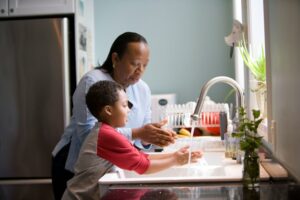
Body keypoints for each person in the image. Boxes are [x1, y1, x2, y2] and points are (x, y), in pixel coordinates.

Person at [51, 32, 177, 200]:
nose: (140, 71)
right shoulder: (93, 81)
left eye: (145, 65)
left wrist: (153, 136)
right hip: (74, 166)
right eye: (134, 64)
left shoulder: (143, 89)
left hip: (109, 168)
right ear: (116, 59)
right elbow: (89, 135)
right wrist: (138, 133)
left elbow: (141, 138)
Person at [61, 80, 202, 200]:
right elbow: (143, 166)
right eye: (124, 105)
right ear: (108, 110)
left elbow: (141, 156)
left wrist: (175, 155)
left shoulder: (107, 132)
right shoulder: (106, 135)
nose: (128, 109)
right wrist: (176, 160)